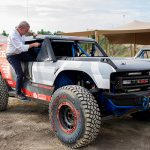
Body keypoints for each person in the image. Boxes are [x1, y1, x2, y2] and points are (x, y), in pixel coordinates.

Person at [6, 21, 40, 101]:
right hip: (12, 56)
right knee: (20, 74)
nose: (25, 33)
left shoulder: (21, 30)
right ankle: (18, 93)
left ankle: (29, 79)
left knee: (33, 60)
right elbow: (21, 47)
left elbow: (28, 31)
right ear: (20, 28)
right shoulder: (13, 36)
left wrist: (33, 34)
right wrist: (33, 45)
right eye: (25, 31)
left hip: (20, 53)